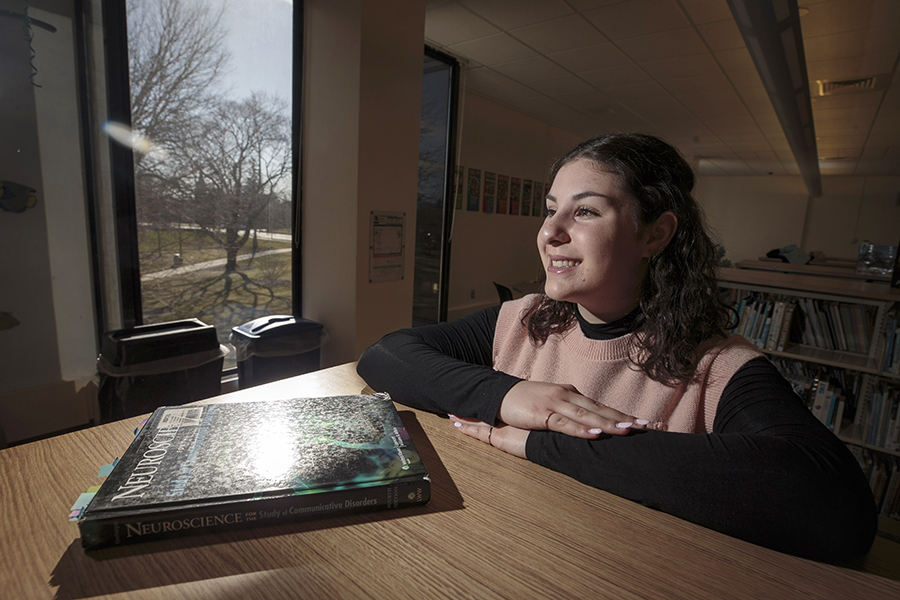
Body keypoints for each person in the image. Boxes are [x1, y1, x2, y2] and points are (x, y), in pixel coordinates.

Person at [357, 133, 876, 562]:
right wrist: (509, 397)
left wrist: (543, 442)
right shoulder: (521, 319)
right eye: (551, 209)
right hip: (497, 555)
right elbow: (385, 355)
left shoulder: (718, 366)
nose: (551, 233)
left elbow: (835, 505)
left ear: (656, 234)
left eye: (585, 213)